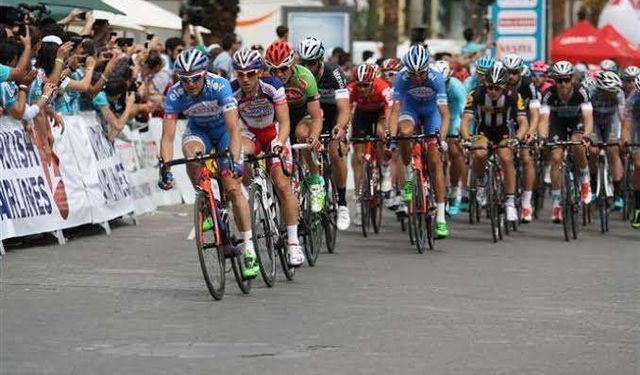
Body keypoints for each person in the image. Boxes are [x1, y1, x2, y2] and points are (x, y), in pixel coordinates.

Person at [157, 48, 259, 279]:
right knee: (192, 155)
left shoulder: (220, 85)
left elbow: (234, 129)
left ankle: (249, 246)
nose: (190, 84)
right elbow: (167, 138)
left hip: (224, 131)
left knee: (232, 187)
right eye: (184, 79)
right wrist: (164, 167)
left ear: (204, 73)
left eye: (194, 78)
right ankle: (204, 199)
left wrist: (235, 159)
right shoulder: (174, 94)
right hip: (198, 130)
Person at [230, 47, 305, 266]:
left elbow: (284, 122)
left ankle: (293, 243)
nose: (245, 79)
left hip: (273, 132)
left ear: (260, 72)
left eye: (250, 73)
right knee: (238, 153)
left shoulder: (273, 86)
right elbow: (233, 128)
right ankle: (249, 192)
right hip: (250, 134)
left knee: (282, 184)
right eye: (240, 74)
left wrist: (280, 143)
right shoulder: (232, 92)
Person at [387, 44, 451, 238]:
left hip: (432, 113)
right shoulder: (402, 78)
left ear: (427, 68)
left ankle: (440, 218)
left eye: (421, 74)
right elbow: (395, 110)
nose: (417, 78)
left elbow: (445, 114)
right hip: (411, 110)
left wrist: (442, 139)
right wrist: (391, 136)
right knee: (404, 133)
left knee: (434, 160)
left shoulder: (436, 78)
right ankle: (408, 174)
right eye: (413, 74)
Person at [460, 64, 529, 223]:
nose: (492, 92)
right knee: (480, 153)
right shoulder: (476, 93)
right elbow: (466, 120)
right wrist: (466, 138)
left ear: (504, 86)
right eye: (490, 87)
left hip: (504, 132)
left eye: (497, 88)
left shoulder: (513, 95)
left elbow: (523, 122)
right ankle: (482, 183)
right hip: (483, 130)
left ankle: (510, 202)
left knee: (505, 158)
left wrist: (517, 138)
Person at [263, 40, 325, 213]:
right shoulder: (265, 80)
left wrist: (314, 136)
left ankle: (315, 181)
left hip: (303, 113)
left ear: (292, 64)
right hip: (278, 115)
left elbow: (316, 116)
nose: (279, 74)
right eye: (274, 70)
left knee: (302, 134)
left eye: (284, 69)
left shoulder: (304, 77)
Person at [296, 36, 351, 229]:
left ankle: (343, 203)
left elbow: (344, 108)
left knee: (335, 151)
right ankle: (313, 176)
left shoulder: (334, 73)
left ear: (319, 61)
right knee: (302, 136)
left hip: (334, 112)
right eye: (304, 63)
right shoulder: (299, 73)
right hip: (313, 113)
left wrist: (341, 126)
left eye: (311, 63)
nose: (307, 67)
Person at [539, 61, 594, 223]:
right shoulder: (548, 95)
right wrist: (542, 138)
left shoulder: (581, 92)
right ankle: (556, 204)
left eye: (566, 79)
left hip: (576, 121)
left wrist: (587, 136)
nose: (563, 84)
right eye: (559, 80)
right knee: (556, 157)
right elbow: (543, 120)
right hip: (558, 124)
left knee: (577, 143)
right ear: (554, 80)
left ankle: (585, 181)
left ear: (573, 79)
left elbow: (588, 118)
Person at [347, 63, 392, 225]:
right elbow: (346, 110)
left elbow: (389, 111)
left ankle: (383, 169)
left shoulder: (383, 87)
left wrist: (388, 132)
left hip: (380, 113)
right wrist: (345, 131)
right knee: (358, 156)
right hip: (362, 114)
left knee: (381, 133)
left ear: (373, 82)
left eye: (366, 85)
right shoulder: (352, 89)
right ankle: (359, 201)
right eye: (359, 85)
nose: (363, 89)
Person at [503, 53, 541, 222]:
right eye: (508, 72)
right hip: (506, 120)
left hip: (525, 120)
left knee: (526, 159)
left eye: (515, 72)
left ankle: (526, 202)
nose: (511, 76)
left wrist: (531, 132)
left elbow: (535, 113)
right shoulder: (500, 83)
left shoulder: (528, 85)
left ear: (520, 72)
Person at [431, 60, 468, 217]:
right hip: (433, 117)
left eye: (443, 82)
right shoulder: (427, 84)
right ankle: (413, 189)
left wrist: (461, 131)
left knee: (453, 150)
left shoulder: (456, 86)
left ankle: (454, 191)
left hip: (452, 118)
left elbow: (463, 112)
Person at [588, 71, 626, 210]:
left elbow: (623, 116)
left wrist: (623, 136)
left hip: (611, 121)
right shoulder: (591, 93)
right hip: (594, 121)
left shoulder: (618, 94)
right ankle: (592, 187)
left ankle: (617, 194)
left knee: (613, 150)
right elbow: (585, 116)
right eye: (609, 92)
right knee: (593, 151)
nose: (612, 94)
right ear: (601, 89)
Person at [621, 75, 640, 228]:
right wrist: (626, 141)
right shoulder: (632, 100)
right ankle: (638, 206)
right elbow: (627, 126)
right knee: (639, 164)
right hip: (637, 128)